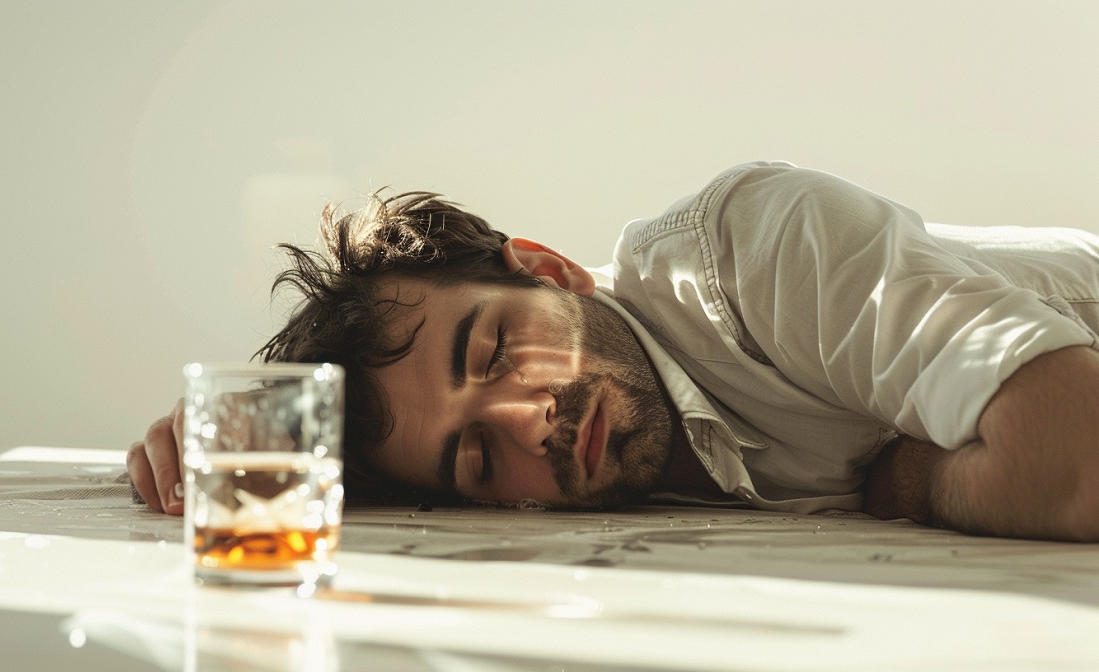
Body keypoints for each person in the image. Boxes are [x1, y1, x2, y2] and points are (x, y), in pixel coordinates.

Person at [127, 161, 1099, 542]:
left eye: (495, 348)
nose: (525, 420)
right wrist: (240, 434)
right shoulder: (614, 482)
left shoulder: (747, 254)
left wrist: (917, 490)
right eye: (474, 456)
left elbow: (1082, 470)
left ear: (550, 270)